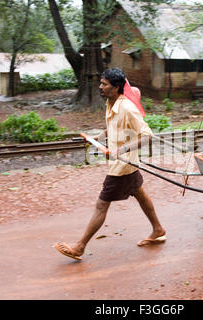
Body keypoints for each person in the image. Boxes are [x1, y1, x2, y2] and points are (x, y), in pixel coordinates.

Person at [54, 67, 166, 261]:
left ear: (116, 87)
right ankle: (158, 229)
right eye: (101, 83)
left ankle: (80, 247)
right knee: (139, 193)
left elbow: (148, 135)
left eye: (104, 84)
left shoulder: (127, 108)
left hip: (122, 165)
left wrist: (120, 151)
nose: (100, 87)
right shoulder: (110, 102)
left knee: (101, 204)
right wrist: (101, 136)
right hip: (125, 164)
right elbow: (112, 125)